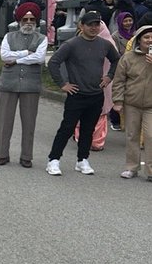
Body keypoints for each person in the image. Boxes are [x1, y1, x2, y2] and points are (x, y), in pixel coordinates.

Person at [46, 10, 120, 176]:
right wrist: (63, 84)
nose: (94, 28)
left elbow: (116, 60)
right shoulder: (71, 44)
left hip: (96, 95)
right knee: (67, 128)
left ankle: (82, 160)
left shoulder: (105, 44)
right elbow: (53, 63)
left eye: (97, 24)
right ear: (81, 25)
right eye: (90, 25)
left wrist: (109, 77)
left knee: (88, 129)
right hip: (76, 94)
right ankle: (54, 159)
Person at [0, 2, 47, 168]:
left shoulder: (42, 38)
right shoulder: (8, 37)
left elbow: (39, 58)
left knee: (29, 123)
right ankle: (2, 154)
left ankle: (26, 156)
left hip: (31, 86)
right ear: (19, 20)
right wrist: (25, 53)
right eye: (25, 19)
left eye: (32, 19)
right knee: (5, 122)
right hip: (8, 84)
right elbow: (4, 56)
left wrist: (16, 59)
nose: (29, 22)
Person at [110, 21, 152, 180]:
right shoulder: (128, 58)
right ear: (139, 40)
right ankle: (131, 167)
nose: (149, 40)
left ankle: (150, 170)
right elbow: (119, 80)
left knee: (150, 136)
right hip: (132, 103)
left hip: (150, 105)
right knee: (131, 135)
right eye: (146, 37)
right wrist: (118, 100)